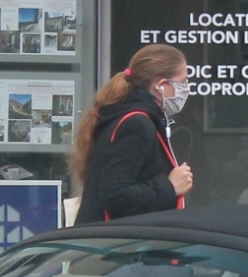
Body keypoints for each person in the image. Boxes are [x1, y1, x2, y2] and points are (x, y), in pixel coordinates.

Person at [74, 45, 195, 222]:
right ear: (161, 85)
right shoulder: (136, 124)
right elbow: (115, 195)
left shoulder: (128, 115)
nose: (186, 89)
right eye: (182, 82)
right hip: (118, 242)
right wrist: (169, 186)